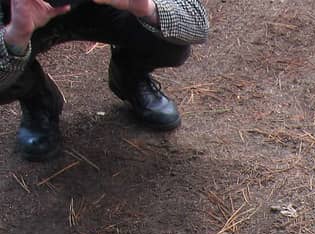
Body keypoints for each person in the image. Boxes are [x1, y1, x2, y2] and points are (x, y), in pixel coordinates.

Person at [0, 0, 209, 161]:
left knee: (169, 43)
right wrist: (15, 37)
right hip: (19, 14)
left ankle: (129, 76)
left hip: (110, 10)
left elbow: (196, 22)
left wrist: (147, 8)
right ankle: (37, 98)